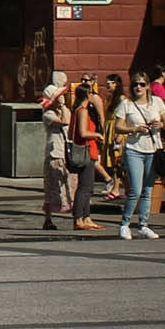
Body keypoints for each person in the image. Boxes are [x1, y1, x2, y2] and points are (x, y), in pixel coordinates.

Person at [113, 69, 165, 240]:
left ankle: (143, 225)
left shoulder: (157, 102)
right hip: (134, 149)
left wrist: (160, 125)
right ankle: (125, 224)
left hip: (153, 149)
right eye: (135, 84)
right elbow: (118, 127)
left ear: (148, 86)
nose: (138, 87)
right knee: (135, 190)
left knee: (148, 189)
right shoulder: (127, 104)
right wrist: (134, 129)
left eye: (142, 84)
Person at [64, 81, 105, 231]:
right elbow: (83, 132)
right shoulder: (83, 111)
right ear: (87, 95)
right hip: (87, 151)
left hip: (86, 151)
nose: (94, 96)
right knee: (85, 187)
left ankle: (86, 217)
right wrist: (97, 135)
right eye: (92, 93)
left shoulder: (77, 110)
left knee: (87, 187)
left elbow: (71, 133)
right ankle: (79, 218)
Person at [41, 73, 71, 230]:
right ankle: (48, 219)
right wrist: (62, 106)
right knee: (52, 187)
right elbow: (65, 122)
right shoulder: (48, 114)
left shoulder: (63, 110)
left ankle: (77, 215)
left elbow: (69, 120)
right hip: (55, 153)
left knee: (69, 185)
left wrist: (63, 107)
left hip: (67, 152)